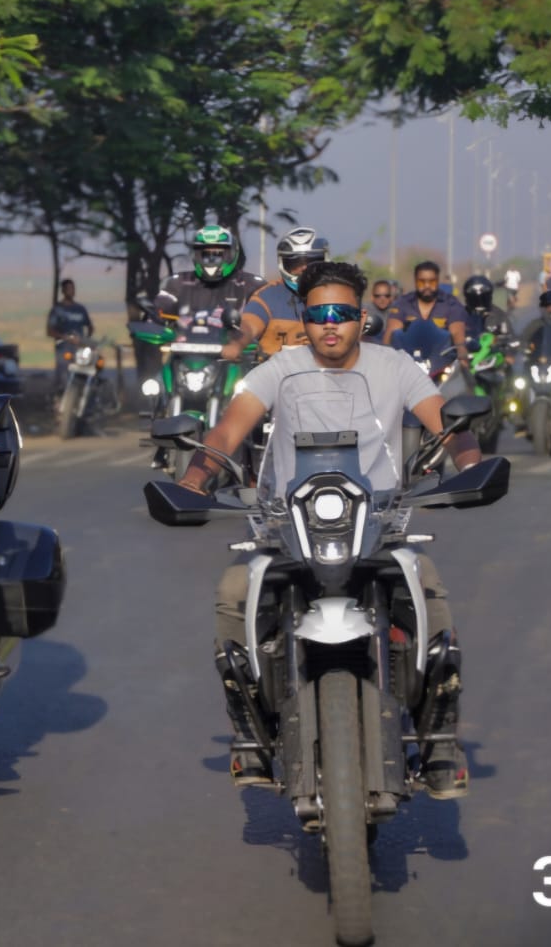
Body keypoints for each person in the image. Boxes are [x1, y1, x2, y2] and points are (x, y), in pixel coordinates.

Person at [178, 260, 480, 798]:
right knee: (233, 593)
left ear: (361, 318)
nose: (330, 325)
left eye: (342, 313)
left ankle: (439, 739)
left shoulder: (396, 367)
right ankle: (248, 731)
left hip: (380, 524)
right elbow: (226, 431)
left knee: (429, 594)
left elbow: (447, 424)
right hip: (285, 526)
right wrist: (194, 480)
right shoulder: (278, 369)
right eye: (319, 315)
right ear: (305, 320)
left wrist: (473, 465)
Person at [219, 227, 327, 360]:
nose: (304, 269)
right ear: (283, 264)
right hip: (276, 370)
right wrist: (237, 343)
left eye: (312, 263)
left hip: (327, 370)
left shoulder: (339, 294)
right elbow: (249, 325)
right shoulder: (268, 295)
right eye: (296, 263)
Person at [155, 224, 265, 331]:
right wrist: (156, 312)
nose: (211, 259)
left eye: (217, 254)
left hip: (236, 342)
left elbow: (266, 322)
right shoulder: (177, 283)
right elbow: (159, 313)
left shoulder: (252, 286)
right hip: (185, 341)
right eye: (206, 254)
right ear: (195, 255)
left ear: (232, 254)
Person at [385, 260, 469, 353]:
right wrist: (385, 355)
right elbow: (392, 332)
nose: (427, 286)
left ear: (438, 281)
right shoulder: (403, 303)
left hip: (441, 357)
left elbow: (457, 332)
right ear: (415, 281)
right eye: (421, 282)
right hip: (408, 357)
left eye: (432, 282)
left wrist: (462, 354)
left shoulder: (451, 304)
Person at [47, 279, 94, 389]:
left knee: (83, 373)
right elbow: (50, 331)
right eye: (68, 289)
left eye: (73, 288)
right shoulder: (58, 310)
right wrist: (65, 337)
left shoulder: (80, 309)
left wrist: (85, 340)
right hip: (64, 349)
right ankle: (61, 393)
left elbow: (90, 326)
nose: (71, 291)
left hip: (79, 348)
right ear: (63, 291)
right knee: (64, 375)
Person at [461, 274, 513, 344]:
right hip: (467, 350)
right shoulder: (460, 315)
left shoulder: (499, 315)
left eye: (483, 297)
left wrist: (498, 342)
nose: (479, 301)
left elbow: (511, 339)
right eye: (474, 298)